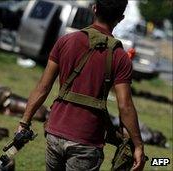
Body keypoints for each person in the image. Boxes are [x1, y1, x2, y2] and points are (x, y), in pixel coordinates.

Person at [17, 0, 146, 170]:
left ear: (94, 9)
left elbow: (43, 87)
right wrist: (138, 145)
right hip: (86, 141)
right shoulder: (119, 56)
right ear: (121, 18)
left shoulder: (66, 41)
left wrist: (24, 122)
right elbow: (125, 106)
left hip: (55, 132)